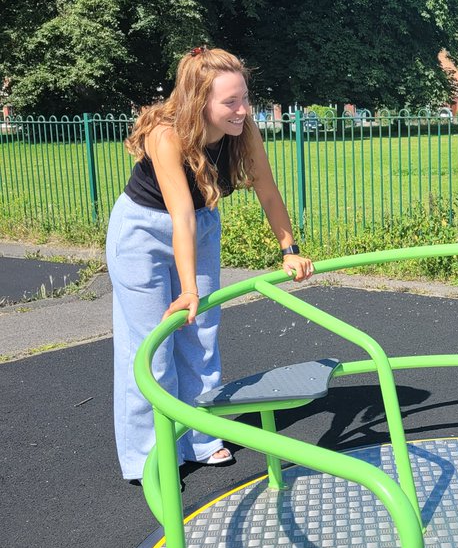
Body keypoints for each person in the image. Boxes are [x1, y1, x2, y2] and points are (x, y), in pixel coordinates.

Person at [106, 46, 314, 482]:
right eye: (231, 103)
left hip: (199, 226)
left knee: (201, 337)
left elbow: (268, 191)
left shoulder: (244, 131)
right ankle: (149, 454)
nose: (243, 110)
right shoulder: (166, 135)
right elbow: (177, 213)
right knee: (151, 347)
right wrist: (188, 289)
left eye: (244, 98)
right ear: (200, 102)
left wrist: (289, 248)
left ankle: (200, 436)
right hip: (144, 232)